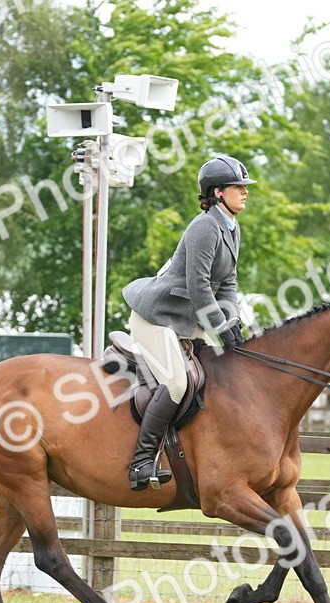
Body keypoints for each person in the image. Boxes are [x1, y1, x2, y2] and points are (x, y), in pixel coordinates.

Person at [120, 154, 253, 490]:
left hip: (185, 318)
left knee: (217, 370)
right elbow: (197, 285)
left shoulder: (230, 229)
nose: (245, 192)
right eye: (238, 187)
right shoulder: (205, 226)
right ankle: (141, 461)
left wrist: (233, 319)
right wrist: (220, 327)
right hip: (157, 317)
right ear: (218, 192)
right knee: (178, 383)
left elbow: (227, 285)